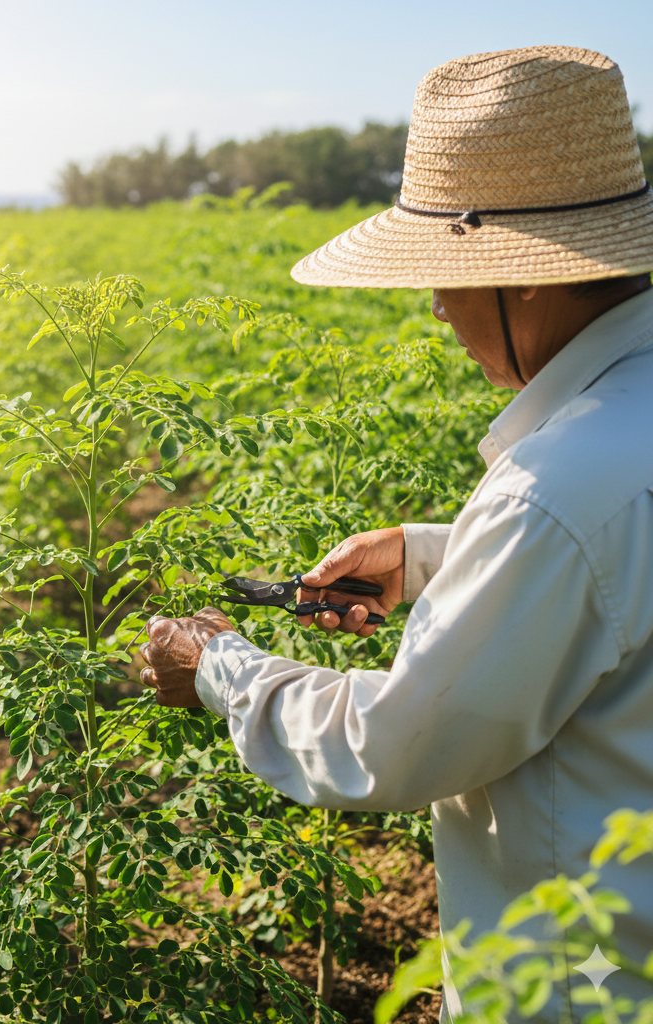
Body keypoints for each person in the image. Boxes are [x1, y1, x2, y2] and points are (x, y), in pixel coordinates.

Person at [138, 45, 653, 1022]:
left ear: (525, 277)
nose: (437, 307)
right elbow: (623, 562)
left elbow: (395, 746)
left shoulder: (554, 490)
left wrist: (218, 668)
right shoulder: (610, 451)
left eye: (446, 276)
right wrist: (428, 556)